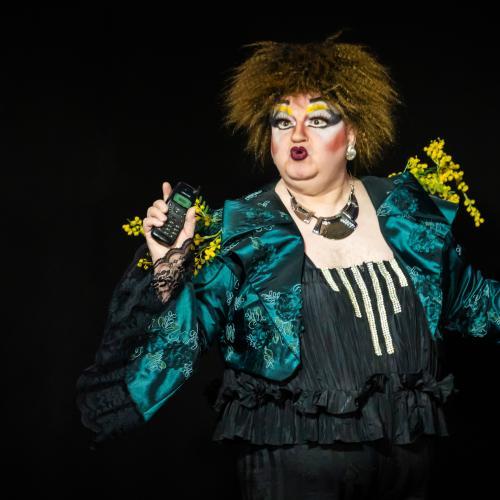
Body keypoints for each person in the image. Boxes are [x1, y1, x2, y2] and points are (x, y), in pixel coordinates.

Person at [75, 30, 500, 499]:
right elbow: (182, 338)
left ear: (353, 135)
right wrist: (168, 264)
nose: (298, 135)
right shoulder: (245, 230)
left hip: (409, 461)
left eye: (318, 120)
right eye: (283, 122)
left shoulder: (406, 211)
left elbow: (476, 305)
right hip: (295, 466)